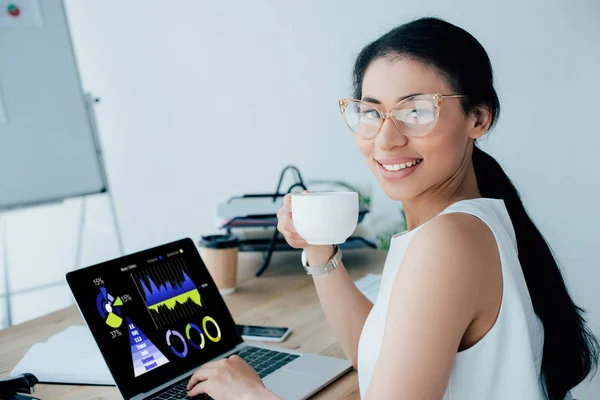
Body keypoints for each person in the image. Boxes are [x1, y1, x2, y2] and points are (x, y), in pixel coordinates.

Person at [186, 17, 599, 400]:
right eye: (371, 112)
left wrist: (250, 395)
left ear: (478, 118)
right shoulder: (472, 220)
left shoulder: (448, 241)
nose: (385, 140)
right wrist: (319, 250)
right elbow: (379, 356)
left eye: (416, 110)